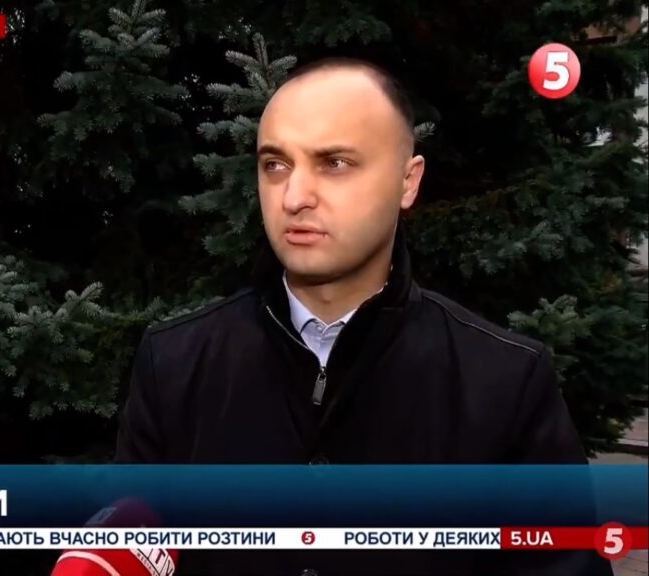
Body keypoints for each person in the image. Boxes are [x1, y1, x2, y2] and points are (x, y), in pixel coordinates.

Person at [114, 58, 613, 575]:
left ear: (408, 181)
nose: (294, 197)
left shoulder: (505, 382)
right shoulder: (174, 364)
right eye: (275, 165)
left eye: (334, 163)